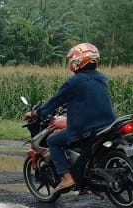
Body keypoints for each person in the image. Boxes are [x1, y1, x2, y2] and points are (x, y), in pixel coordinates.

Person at [25, 43, 117, 193]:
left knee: (53, 140)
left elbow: (55, 101)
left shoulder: (74, 81)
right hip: (108, 124)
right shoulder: (101, 78)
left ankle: (67, 178)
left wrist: (37, 113)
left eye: (72, 59)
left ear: (77, 61)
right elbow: (87, 97)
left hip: (86, 128)